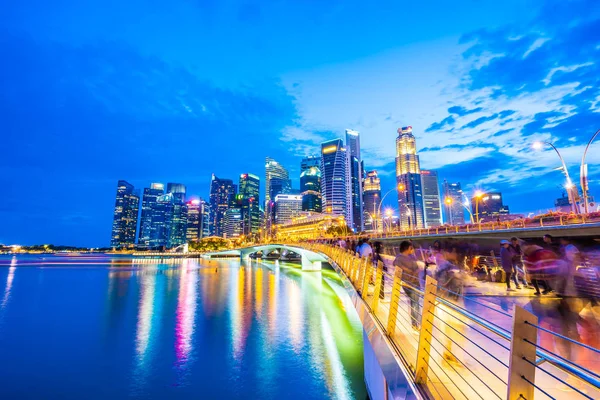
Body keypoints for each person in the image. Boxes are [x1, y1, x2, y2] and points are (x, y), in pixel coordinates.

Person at [393, 241, 421, 330]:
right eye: (411, 248)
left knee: (414, 302)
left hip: (411, 284)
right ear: (408, 248)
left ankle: (415, 322)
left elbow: (416, 269)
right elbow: (416, 269)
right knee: (415, 303)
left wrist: (411, 271)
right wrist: (412, 272)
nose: (412, 250)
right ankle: (415, 324)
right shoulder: (400, 259)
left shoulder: (403, 258)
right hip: (410, 284)